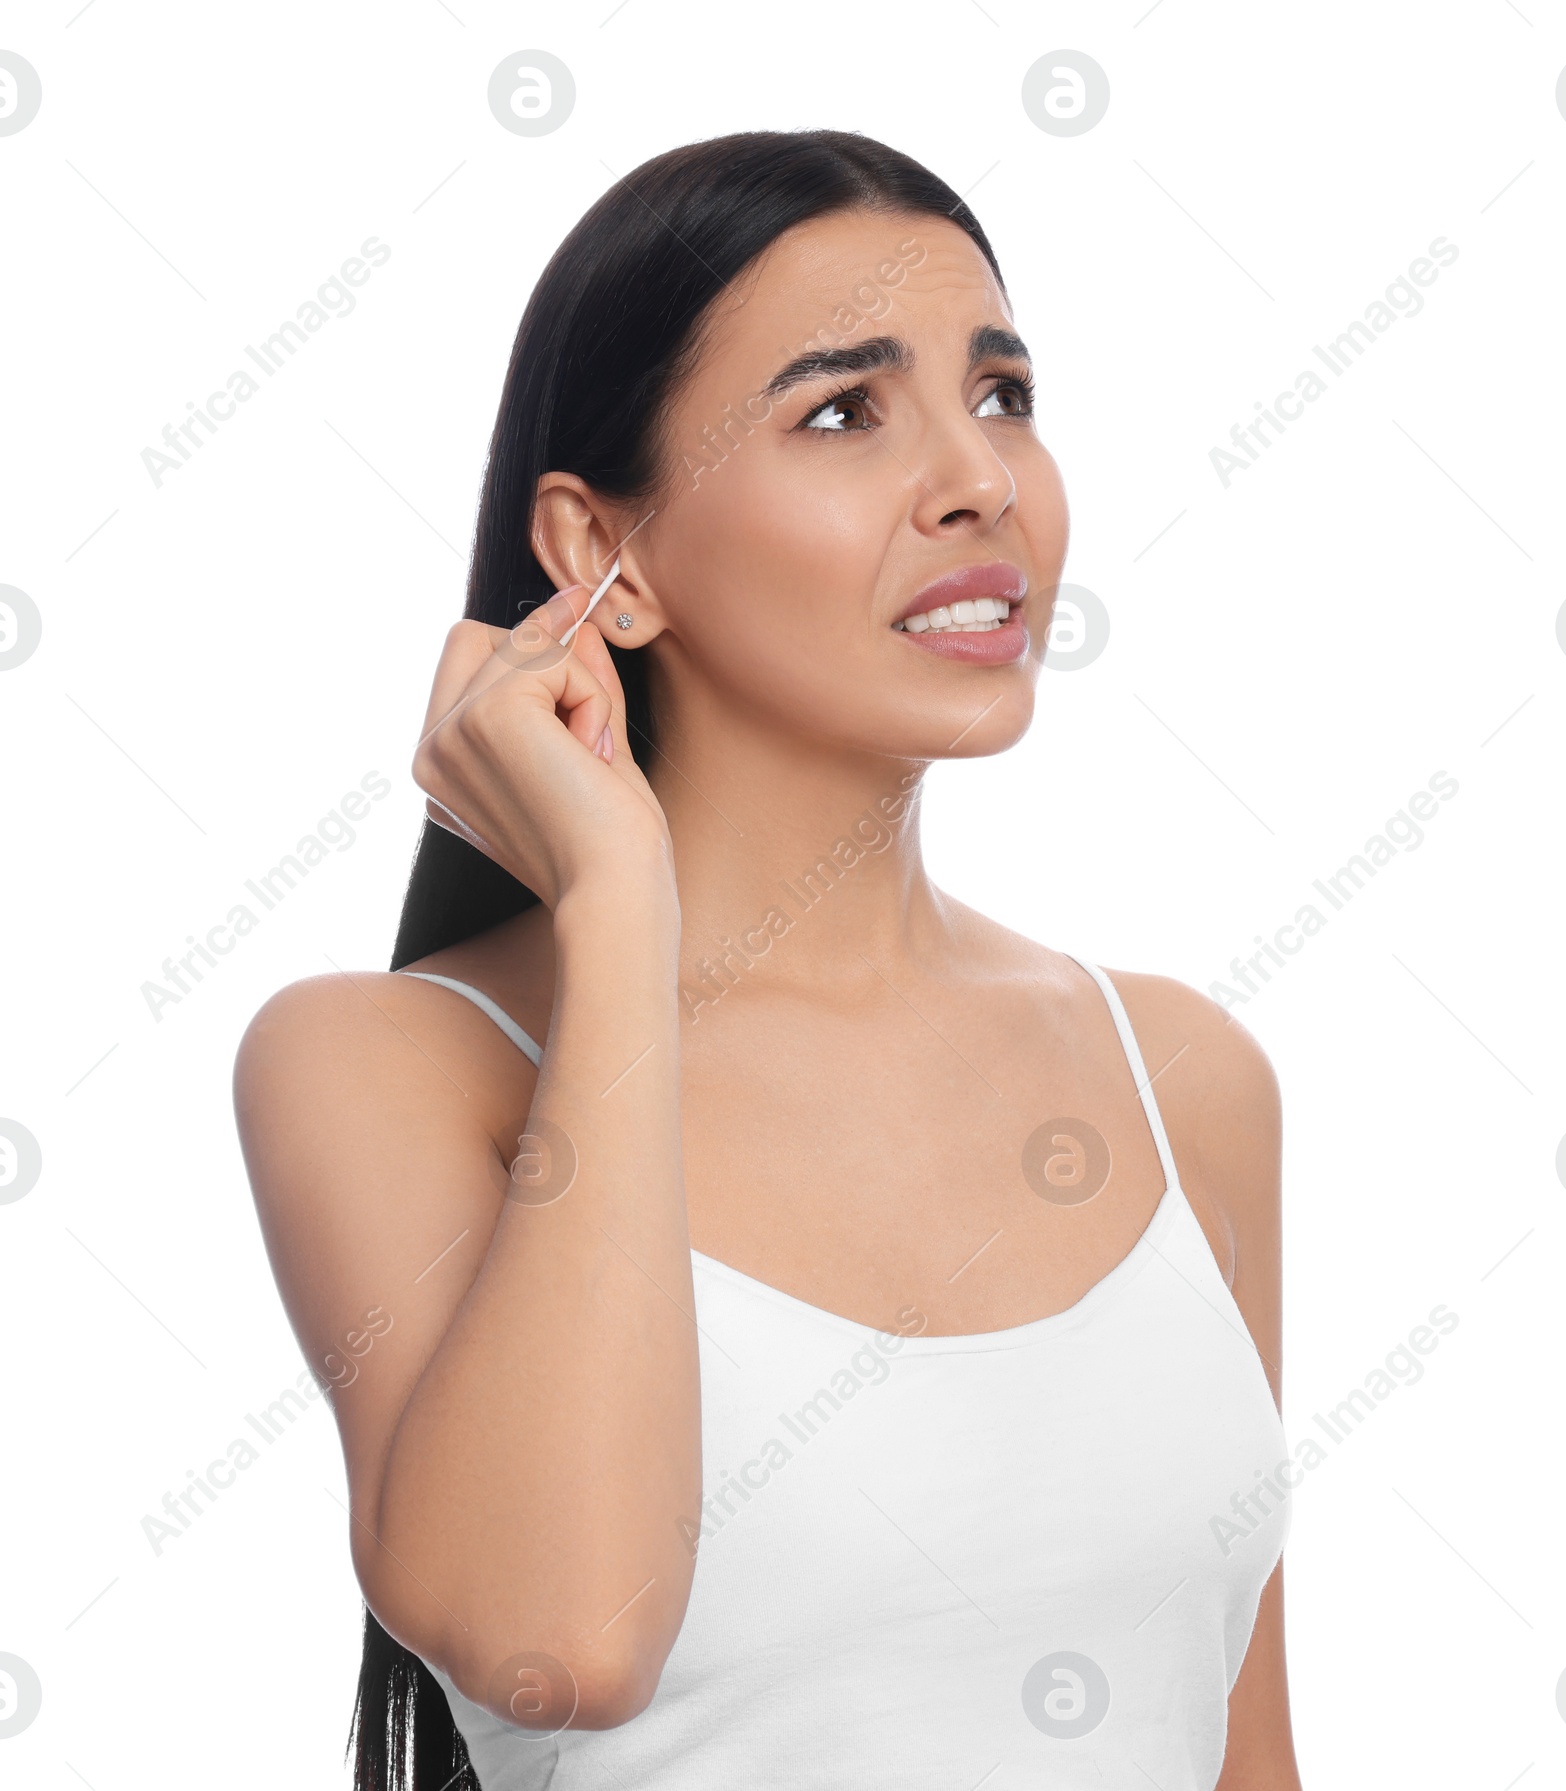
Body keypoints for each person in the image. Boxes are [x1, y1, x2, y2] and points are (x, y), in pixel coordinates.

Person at [234, 129, 1301, 1790]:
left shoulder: (1182, 1084)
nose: (980, 480)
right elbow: (563, 1642)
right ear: (602, 557)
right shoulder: (382, 1066)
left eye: (1002, 394)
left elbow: (1253, 1766)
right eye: (841, 412)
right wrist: (616, 911)